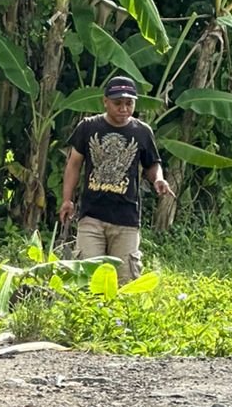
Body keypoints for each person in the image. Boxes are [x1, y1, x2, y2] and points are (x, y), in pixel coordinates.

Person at [59, 75, 171, 281]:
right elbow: (73, 164)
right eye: (117, 103)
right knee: (86, 278)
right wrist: (67, 200)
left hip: (126, 219)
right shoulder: (88, 127)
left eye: (129, 103)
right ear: (105, 101)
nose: (124, 108)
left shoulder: (142, 132)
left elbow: (152, 164)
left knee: (125, 281)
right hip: (92, 216)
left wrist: (158, 179)